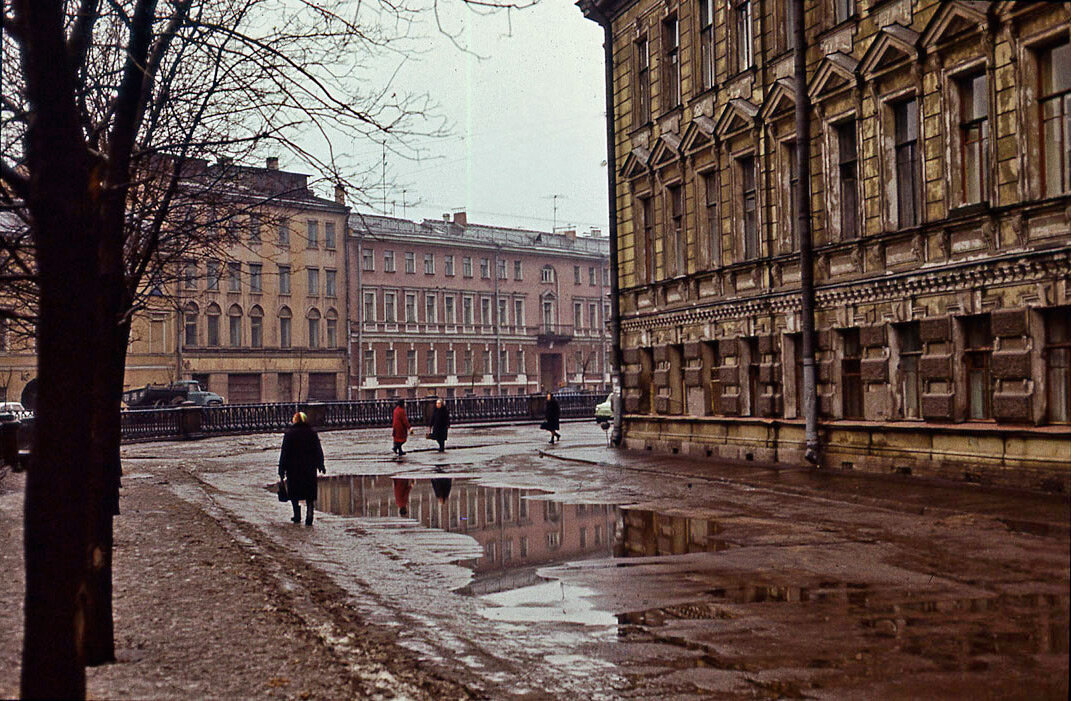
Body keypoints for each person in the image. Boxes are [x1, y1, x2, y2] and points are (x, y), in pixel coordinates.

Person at [278, 411, 325, 525]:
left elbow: (284, 452)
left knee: (294, 492)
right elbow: (318, 450)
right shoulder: (312, 433)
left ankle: (297, 515)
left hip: (293, 469)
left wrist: (281, 469)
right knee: (309, 492)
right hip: (309, 468)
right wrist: (320, 464)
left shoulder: (289, 434)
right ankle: (309, 514)